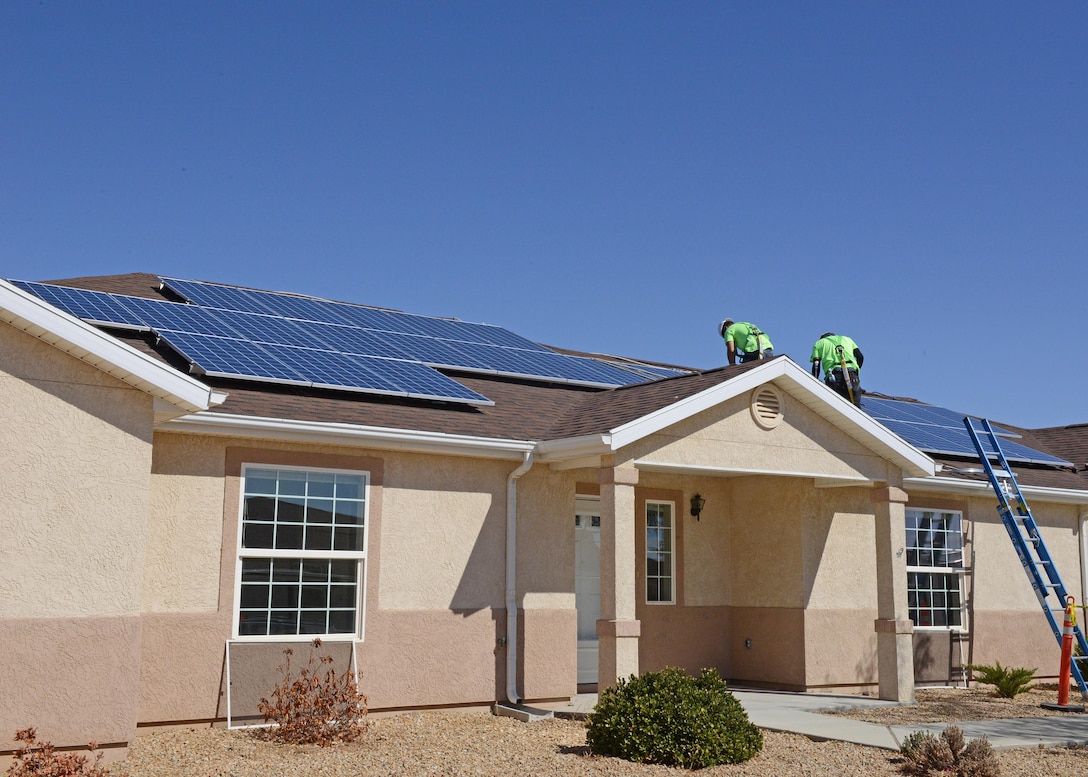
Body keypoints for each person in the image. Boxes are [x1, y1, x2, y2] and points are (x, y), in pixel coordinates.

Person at [811, 332, 864, 405]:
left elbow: (816, 364)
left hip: (834, 375)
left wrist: (814, 382)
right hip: (852, 375)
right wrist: (857, 372)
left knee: (836, 403)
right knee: (855, 404)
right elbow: (860, 357)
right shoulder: (847, 339)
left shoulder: (819, 343)